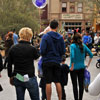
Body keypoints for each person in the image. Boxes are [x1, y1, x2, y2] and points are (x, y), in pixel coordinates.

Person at [7, 27, 40, 100]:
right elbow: (37, 56)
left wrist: (10, 76)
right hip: (29, 76)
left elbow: (9, 64)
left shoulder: (13, 48)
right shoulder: (31, 48)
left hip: (18, 76)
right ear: (30, 36)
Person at [40, 20, 66, 100]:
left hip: (47, 61)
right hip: (57, 61)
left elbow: (42, 50)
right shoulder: (60, 37)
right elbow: (63, 51)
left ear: (49, 26)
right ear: (57, 27)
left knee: (48, 82)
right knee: (57, 81)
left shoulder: (45, 36)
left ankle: (48, 99)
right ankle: (60, 98)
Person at [70, 33, 93, 100]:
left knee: (75, 86)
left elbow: (72, 56)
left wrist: (72, 66)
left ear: (73, 39)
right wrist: (88, 64)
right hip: (82, 68)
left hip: (73, 69)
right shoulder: (84, 46)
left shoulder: (72, 46)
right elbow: (91, 55)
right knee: (81, 85)